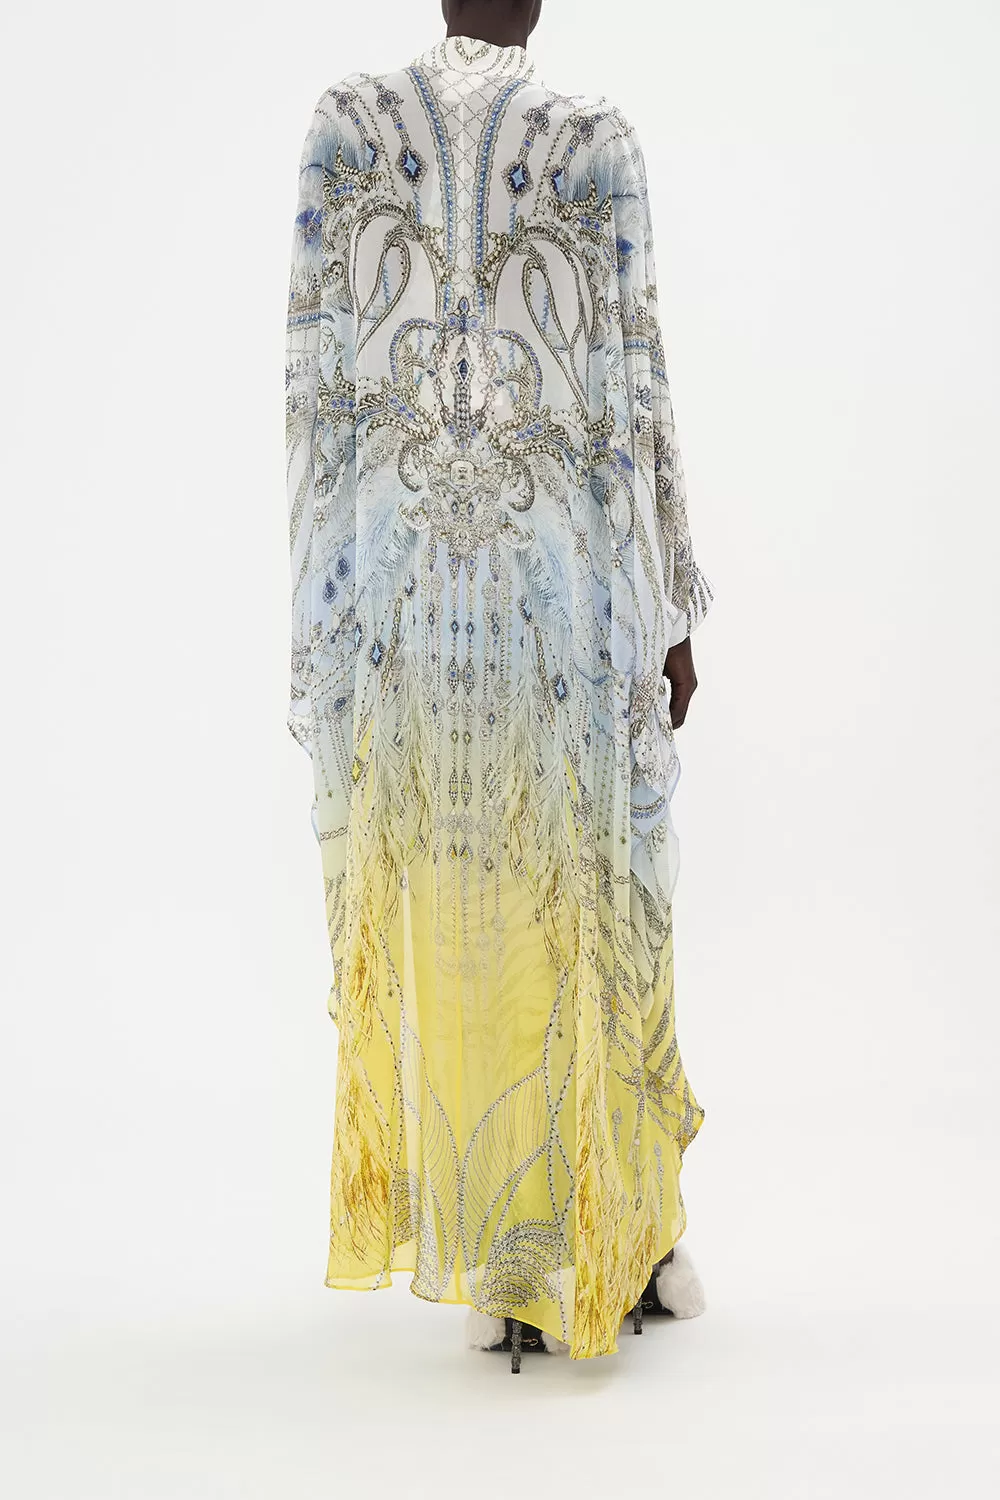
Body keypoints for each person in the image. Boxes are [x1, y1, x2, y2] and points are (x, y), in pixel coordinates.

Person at [283, 0, 714, 1369]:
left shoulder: (349, 130)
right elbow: (638, 388)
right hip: (563, 607)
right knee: (591, 896)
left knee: (471, 907)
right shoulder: (594, 142)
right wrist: (673, 605)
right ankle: (591, 1244)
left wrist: (330, 607)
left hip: (409, 609)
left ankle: (531, 1251)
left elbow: (314, 397)